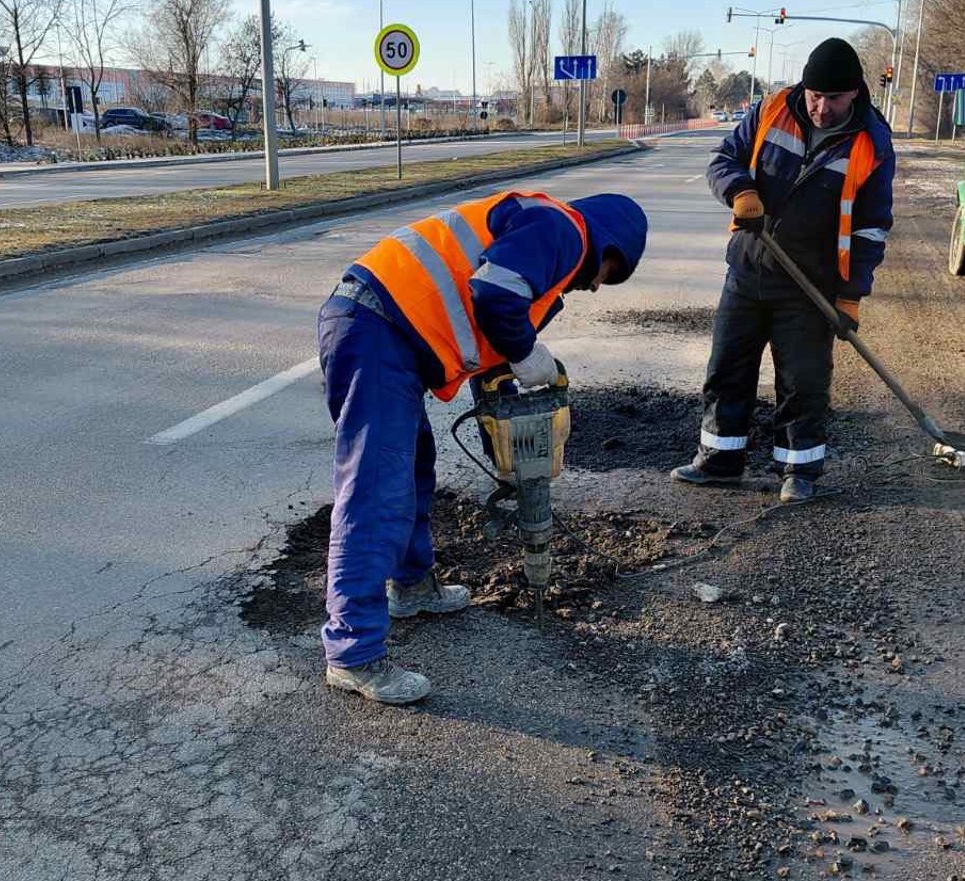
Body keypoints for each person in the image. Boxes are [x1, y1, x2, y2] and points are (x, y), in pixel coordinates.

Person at [317, 190, 648, 705]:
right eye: (611, 272)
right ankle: (353, 653)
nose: (600, 286)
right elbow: (494, 295)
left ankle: (412, 586)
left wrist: (509, 446)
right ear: (612, 248)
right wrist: (524, 351)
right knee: (377, 489)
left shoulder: (547, 262)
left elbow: (491, 352)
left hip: (386, 332)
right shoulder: (564, 230)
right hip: (374, 326)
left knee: (414, 469)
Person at [672, 37, 896, 502]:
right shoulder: (773, 108)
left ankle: (799, 470)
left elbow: (871, 228)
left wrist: (851, 293)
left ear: (855, 92)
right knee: (727, 369)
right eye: (815, 96)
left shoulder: (871, 142)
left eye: (832, 99)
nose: (820, 108)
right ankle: (719, 459)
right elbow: (724, 159)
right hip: (748, 269)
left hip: (811, 283)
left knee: (803, 380)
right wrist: (739, 190)